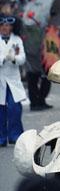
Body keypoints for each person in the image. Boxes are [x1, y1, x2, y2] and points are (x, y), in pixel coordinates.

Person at [0, 13, 26, 146]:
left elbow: (22, 58)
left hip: (13, 80)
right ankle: (1, 138)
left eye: (7, 25)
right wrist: (4, 58)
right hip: (0, 80)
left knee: (15, 108)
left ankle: (15, 135)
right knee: (1, 110)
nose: (5, 27)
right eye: (2, 25)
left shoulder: (17, 40)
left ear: (12, 27)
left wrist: (14, 58)